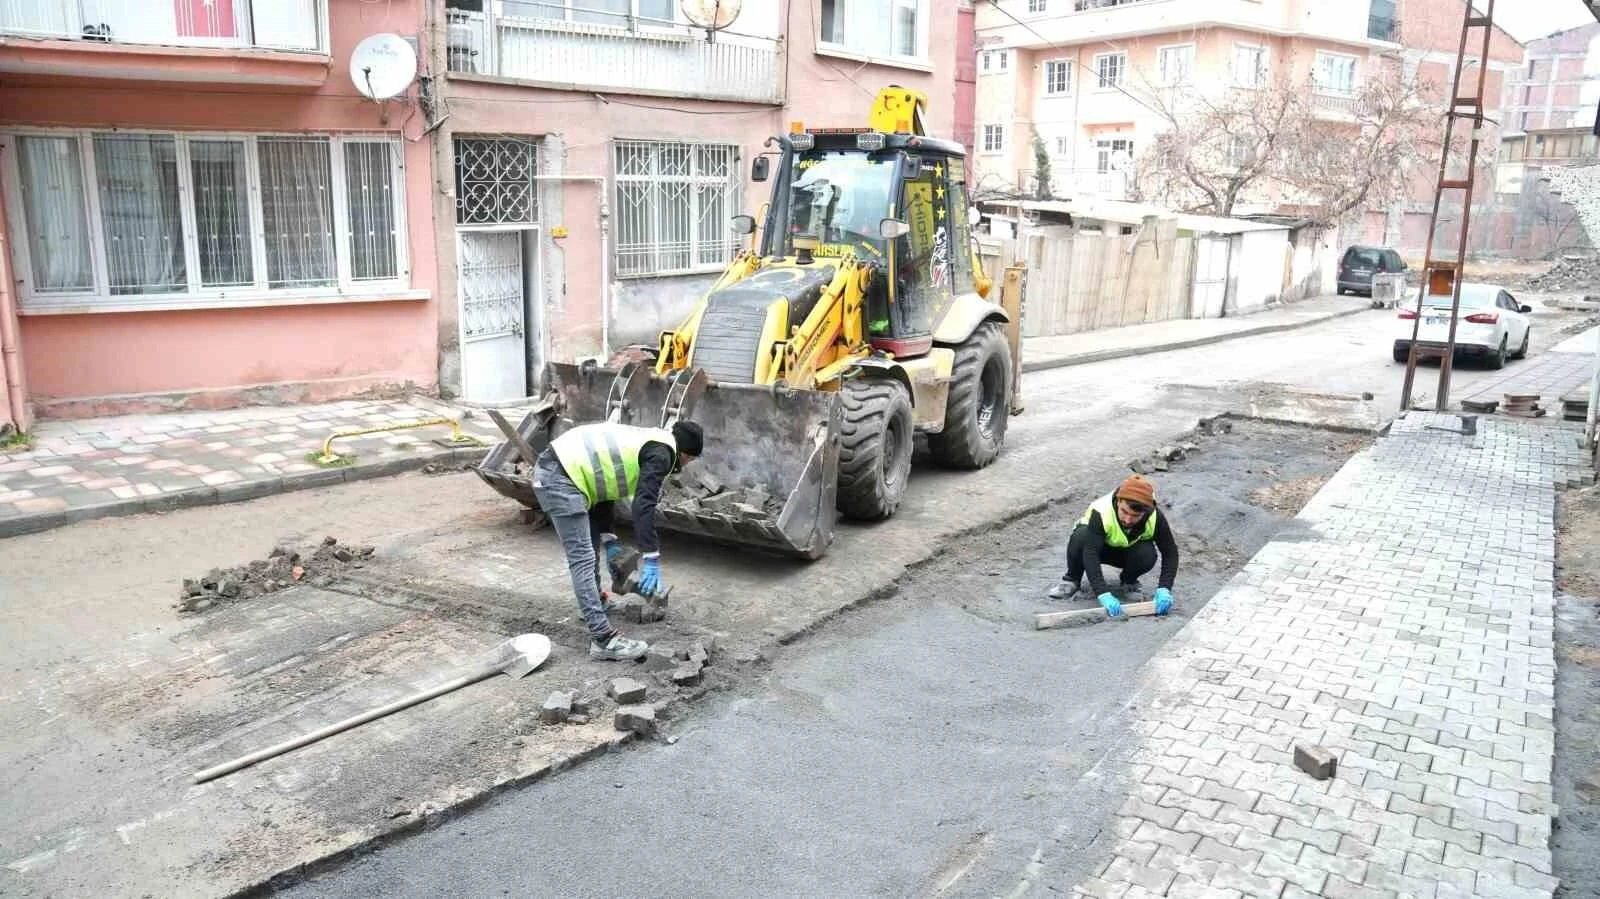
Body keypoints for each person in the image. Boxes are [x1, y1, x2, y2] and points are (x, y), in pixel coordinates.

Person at [532, 419, 704, 660]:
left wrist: (610, 540)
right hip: (560, 477)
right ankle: (603, 640)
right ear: (685, 454)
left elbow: (604, 486)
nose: (686, 465)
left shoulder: (649, 440)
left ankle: (595, 605)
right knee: (582, 558)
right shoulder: (662, 454)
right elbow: (643, 505)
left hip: (566, 472)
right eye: (690, 460)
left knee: (589, 549)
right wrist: (651, 556)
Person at [1047, 474, 1179, 617]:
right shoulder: (1102, 511)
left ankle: (1129, 582)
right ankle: (1071, 579)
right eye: (1124, 511)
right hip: (1096, 547)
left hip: (1126, 552)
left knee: (1146, 554)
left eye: (1135, 516)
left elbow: (1170, 553)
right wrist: (1102, 593)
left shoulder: (1155, 516)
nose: (1128, 520)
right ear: (1119, 501)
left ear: (1145, 512)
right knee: (1081, 536)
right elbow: (1090, 553)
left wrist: (1165, 588)